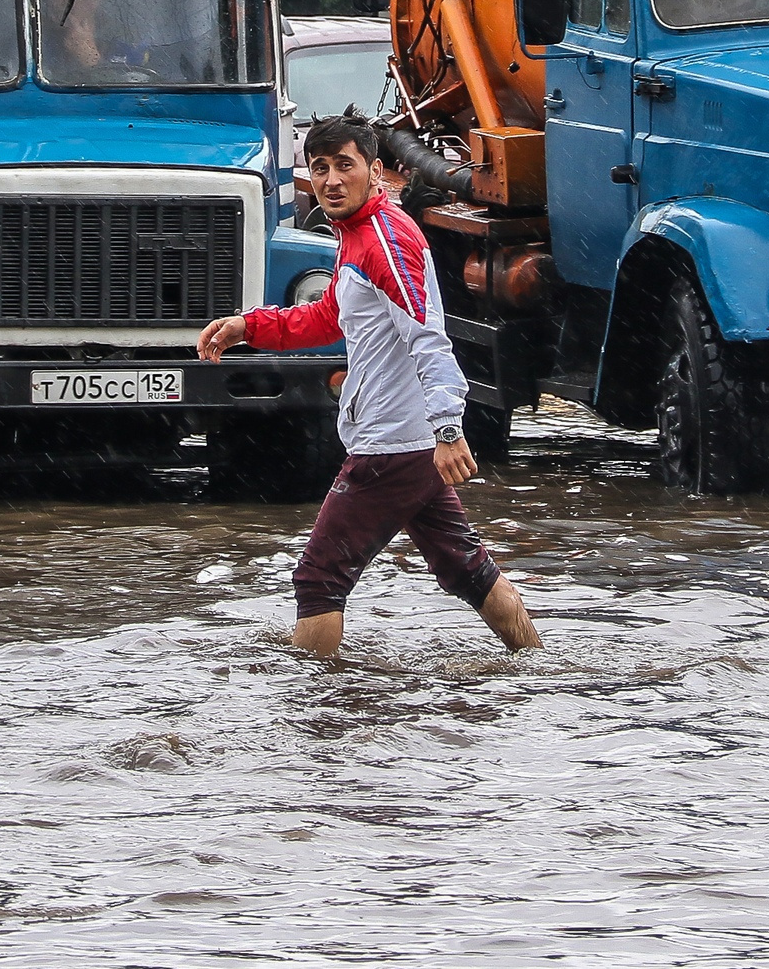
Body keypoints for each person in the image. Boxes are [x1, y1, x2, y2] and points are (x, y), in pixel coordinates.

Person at [196, 116, 542, 658]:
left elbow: (429, 338)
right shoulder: (357, 236)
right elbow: (332, 317)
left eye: (344, 166)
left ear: (375, 171)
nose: (331, 180)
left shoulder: (385, 240)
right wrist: (251, 326)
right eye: (320, 168)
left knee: (319, 579)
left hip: (393, 444)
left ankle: (317, 711)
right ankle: (537, 664)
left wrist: (449, 427)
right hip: (406, 441)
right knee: (464, 565)